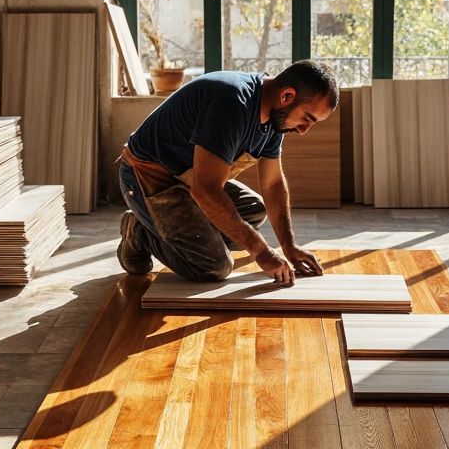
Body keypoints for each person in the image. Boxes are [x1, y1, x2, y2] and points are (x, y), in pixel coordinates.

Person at [116, 60, 339, 286]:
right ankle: (140, 232)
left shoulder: (275, 117)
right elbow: (206, 191)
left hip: (188, 178)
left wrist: (289, 246)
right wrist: (262, 252)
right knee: (213, 266)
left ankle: (177, 228)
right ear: (287, 96)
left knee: (253, 211)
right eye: (307, 118)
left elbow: (272, 184)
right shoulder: (231, 103)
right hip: (147, 178)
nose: (303, 130)